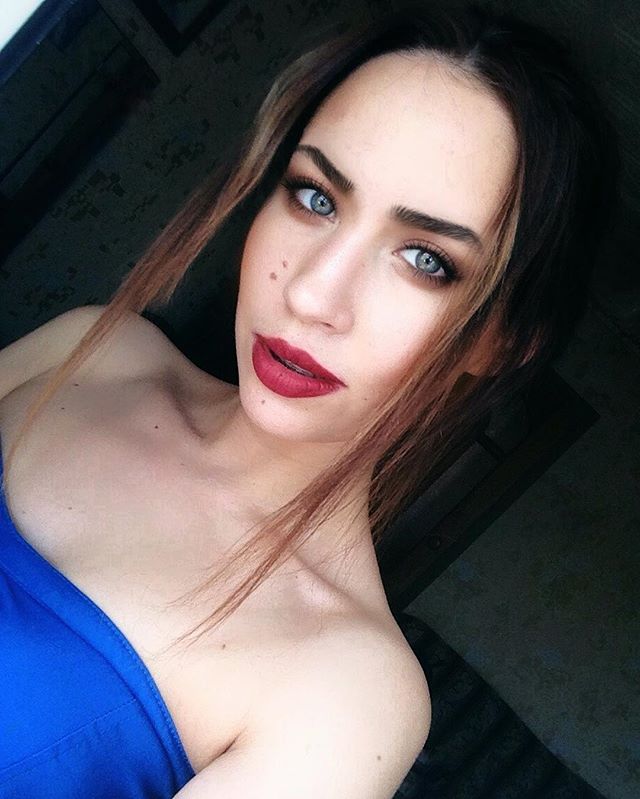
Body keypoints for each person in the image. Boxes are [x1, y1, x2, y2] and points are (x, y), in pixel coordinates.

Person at [0, 4, 614, 798]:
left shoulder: (352, 695)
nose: (314, 293)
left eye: (426, 259)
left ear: (501, 341)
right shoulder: (90, 349)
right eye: (316, 196)